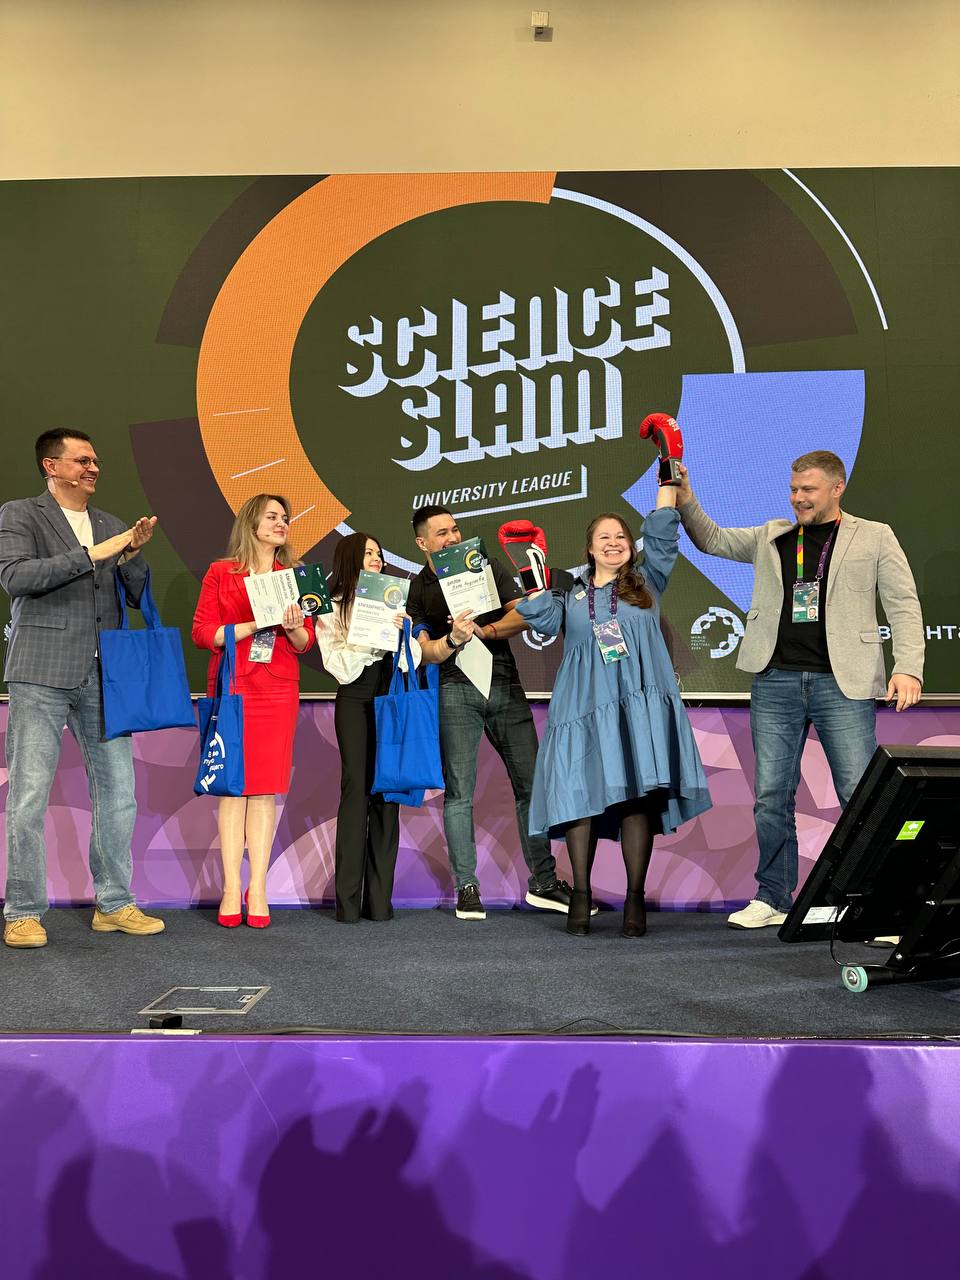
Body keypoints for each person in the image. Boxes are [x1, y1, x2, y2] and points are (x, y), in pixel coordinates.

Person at [676, 449, 924, 928]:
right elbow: (712, 540)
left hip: (843, 684)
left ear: (837, 487)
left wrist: (909, 667)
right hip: (776, 681)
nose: (798, 498)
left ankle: (876, 902)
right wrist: (686, 497)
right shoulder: (773, 535)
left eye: (808, 489)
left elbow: (903, 603)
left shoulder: (874, 536)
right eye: (793, 489)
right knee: (771, 796)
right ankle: (773, 897)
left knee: (860, 796)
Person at [515, 486, 713, 936]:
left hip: (636, 705)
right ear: (589, 548)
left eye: (620, 536)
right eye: (603, 537)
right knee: (579, 796)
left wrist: (667, 480)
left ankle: (634, 899)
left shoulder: (648, 580)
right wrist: (532, 568)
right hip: (581, 708)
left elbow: (662, 535)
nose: (613, 543)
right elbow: (541, 618)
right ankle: (581, 895)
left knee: (635, 796)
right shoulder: (570, 594)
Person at [0, 429, 164, 948]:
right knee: (29, 795)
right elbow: (17, 578)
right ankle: (22, 912)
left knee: (119, 794)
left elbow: (136, 594)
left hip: (105, 674)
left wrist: (131, 553)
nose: (93, 468)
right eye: (82, 460)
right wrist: (95, 554)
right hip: (40, 671)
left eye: (95, 461)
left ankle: (114, 904)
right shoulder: (20, 515)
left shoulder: (112, 525)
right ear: (51, 466)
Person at [408, 506, 575, 921]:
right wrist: (453, 639)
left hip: (504, 682)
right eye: (442, 533)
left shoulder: (484, 564)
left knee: (532, 785)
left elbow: (524, 613)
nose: (452, 537)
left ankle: (544, 882)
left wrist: (488, 630)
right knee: (459, 793)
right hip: (454, 687)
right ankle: (467, 888)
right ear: (423, 543)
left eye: (455, 529)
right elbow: (423, 651)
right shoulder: (418, 588)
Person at [192, 494, 314, 929]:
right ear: (251, 524)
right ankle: (231, 888)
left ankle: (257, 889)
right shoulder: (221, 572)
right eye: (272, 516)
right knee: (233, 788)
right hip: (232, 686)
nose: (282, 523)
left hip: (277, 689)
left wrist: (293, 627)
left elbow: (305, 642)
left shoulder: (297, 576)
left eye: (285, 517)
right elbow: (202, 632)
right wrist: (252, 625)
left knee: (264, 790)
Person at [315, 531, 422, 923]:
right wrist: (367, 635)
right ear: (350, 559)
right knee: (356, 791)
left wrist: (403, 633)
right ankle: (347, 903)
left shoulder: (395, 601)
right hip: (355, 700)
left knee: (387, 794)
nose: (377, 559)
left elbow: (411, 662)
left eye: (379, 553)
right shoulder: (332, 608)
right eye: (368, 553)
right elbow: (339, 668)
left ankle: (379, 902)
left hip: (390, 697)